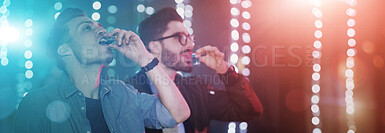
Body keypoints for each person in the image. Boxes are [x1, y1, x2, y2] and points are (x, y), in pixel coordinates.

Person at [13, 8, 190, 133]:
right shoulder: (36, 104)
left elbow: (178, 114)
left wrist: (145, 58)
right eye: (86, 28)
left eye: (98, 25)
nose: (100, 29)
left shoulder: (124, 93)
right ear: (65, 49)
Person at [125, 7, 263, 133]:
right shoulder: (128, 91)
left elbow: (249, 110)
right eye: (180, 37)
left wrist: (225, 70)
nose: (191, 44)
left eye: (190, 38)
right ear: (155, 46)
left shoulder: (196, 89)